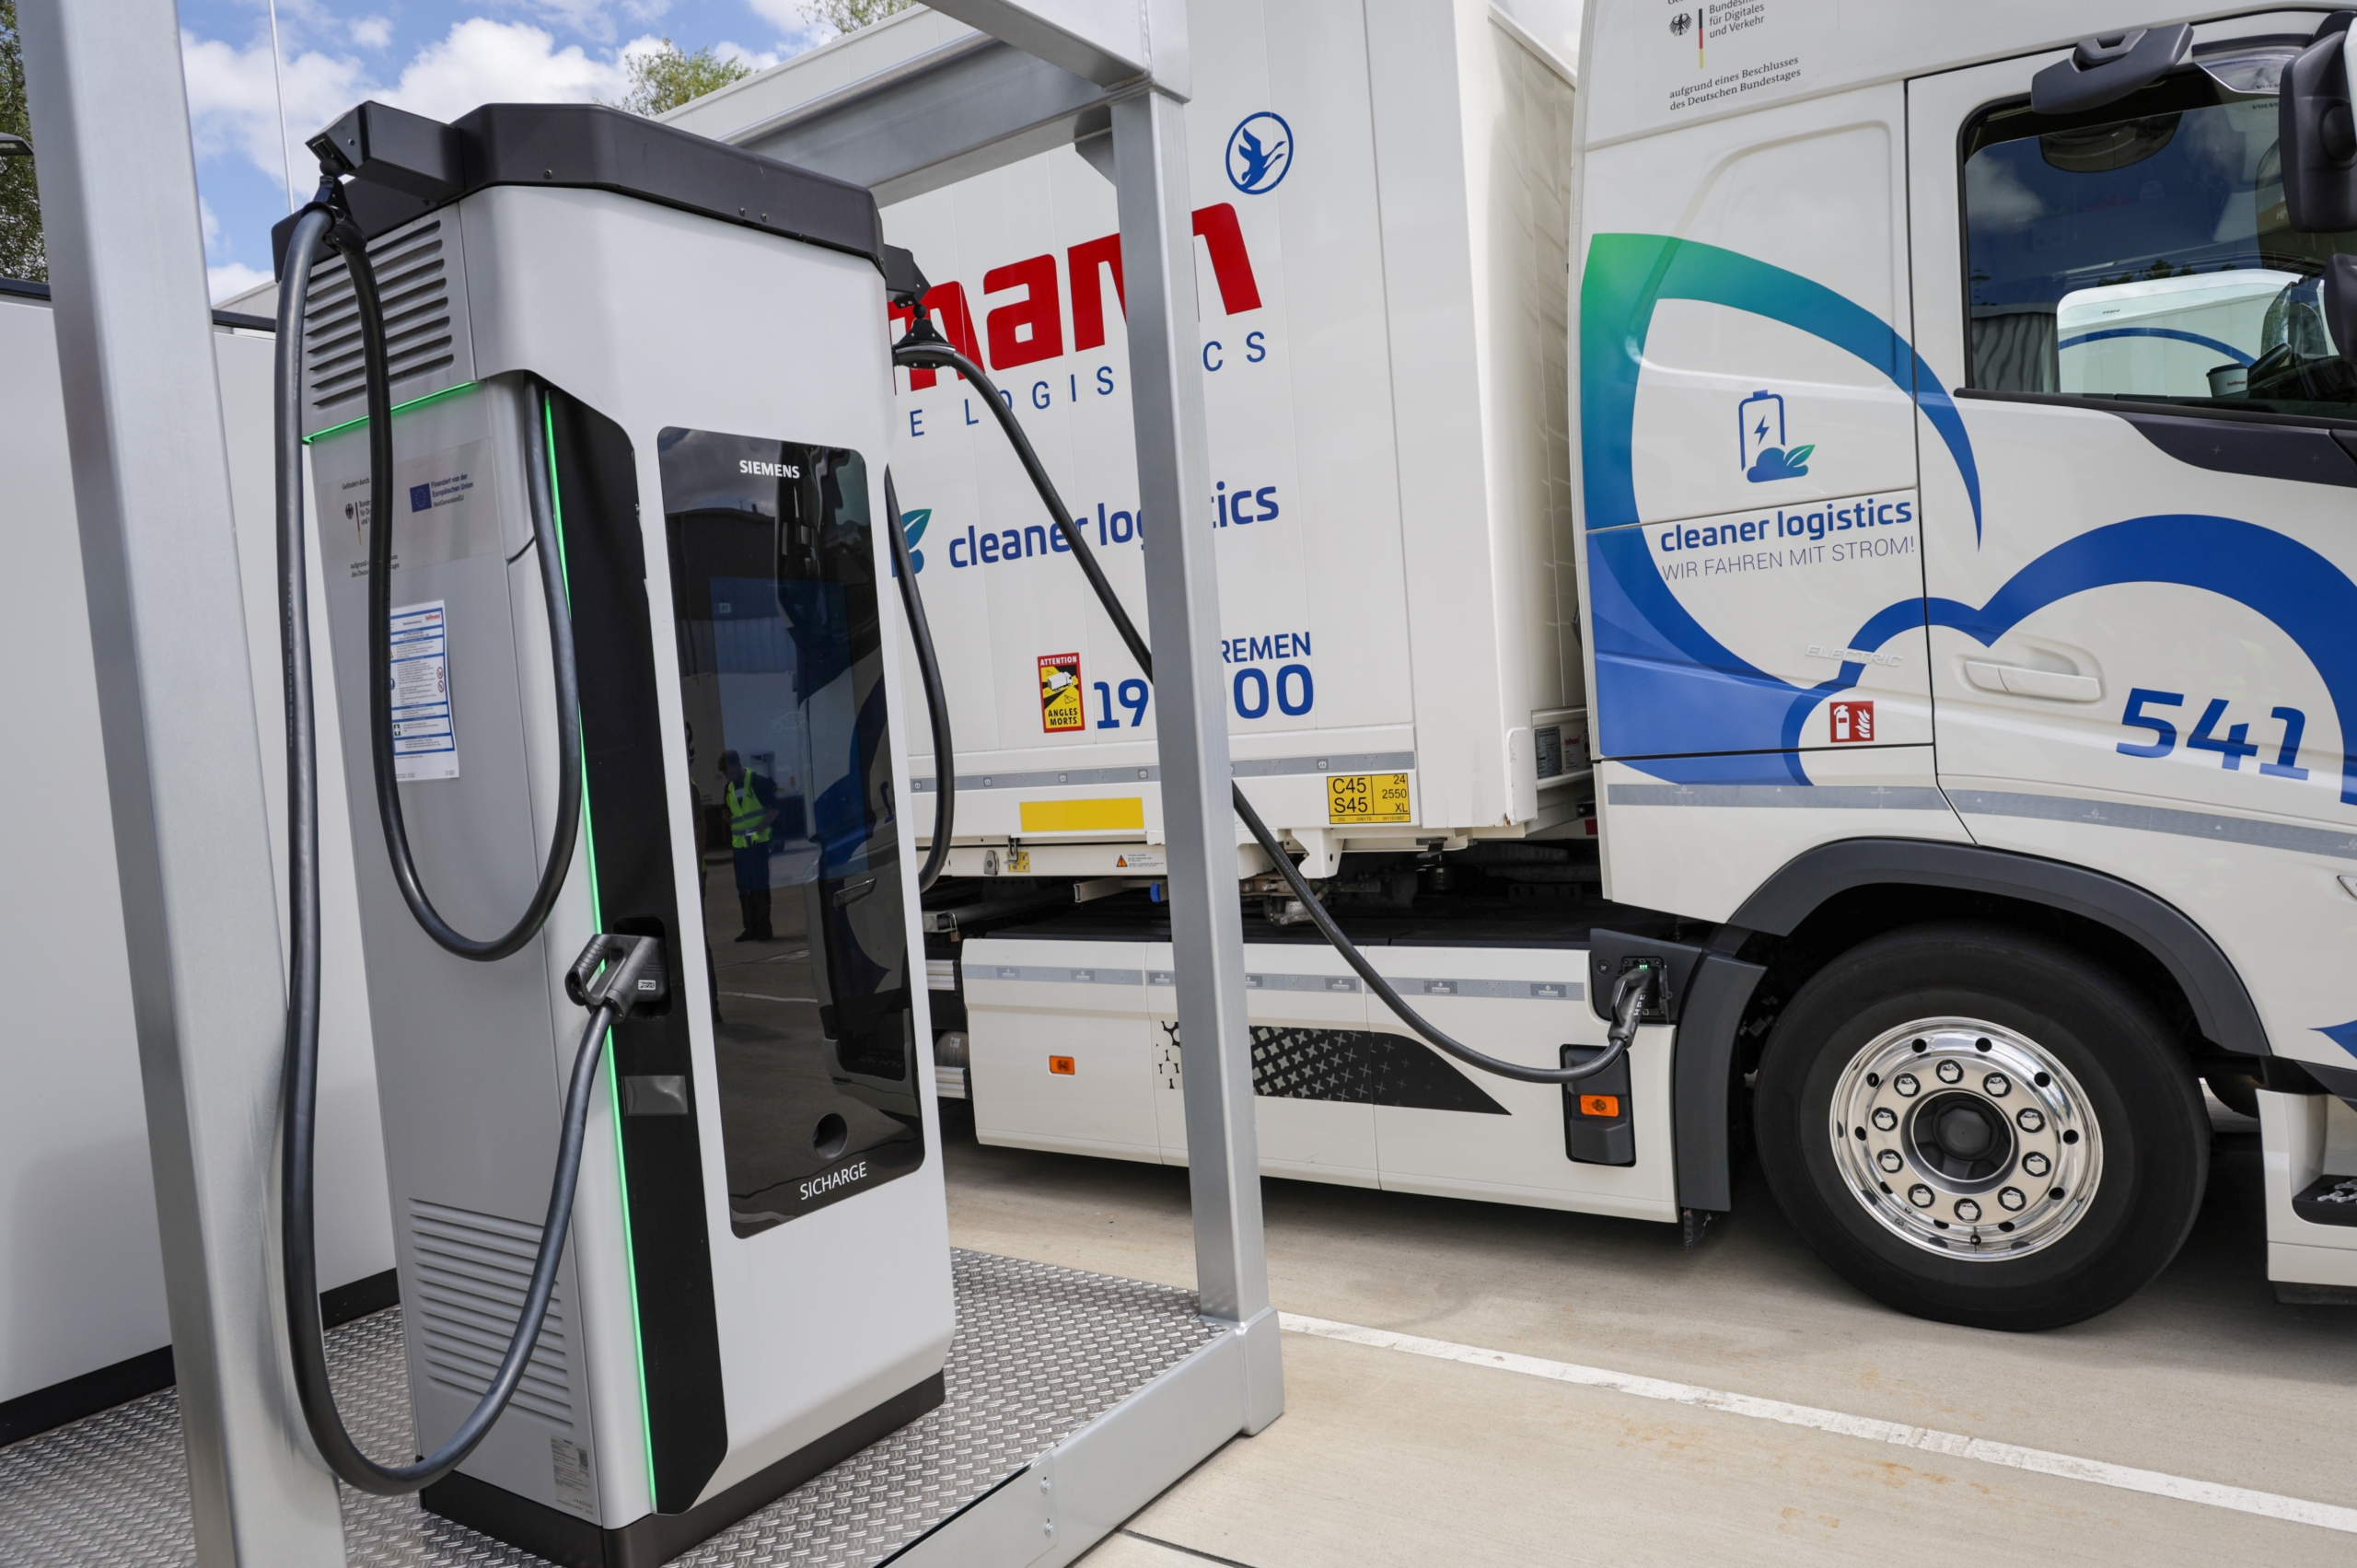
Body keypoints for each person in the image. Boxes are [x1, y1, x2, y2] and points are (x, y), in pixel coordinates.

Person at [719, 749, 782, 942]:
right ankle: (750, 929)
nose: (728, 776)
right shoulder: (729, 787)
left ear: (738, 765)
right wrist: (727, 817)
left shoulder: (757, 782)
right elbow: (727, 809)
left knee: (760, 887)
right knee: (744, 888)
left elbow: (774, 809)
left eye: (729, 771)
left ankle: (764, 929)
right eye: (725, 773)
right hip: (740, 847)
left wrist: (759, 828)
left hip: (758, 845)